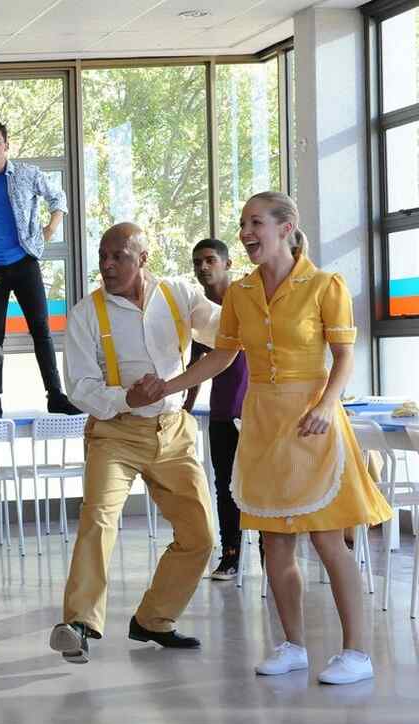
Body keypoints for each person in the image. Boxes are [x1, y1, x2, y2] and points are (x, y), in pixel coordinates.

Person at [155, 192, 391, 685]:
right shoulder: (240, 293)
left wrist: (326, 405)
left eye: (255, 223)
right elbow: (221, 355)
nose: (245, 233)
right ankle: (293, 646)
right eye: (243, 223)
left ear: (286, 227)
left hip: (312, 421)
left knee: (328, 540)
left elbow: (344, 355)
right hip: (262, 421)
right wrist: (167, 387)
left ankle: (357, 653)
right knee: (275, 543)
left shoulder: (325, 285)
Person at [49, 223, 219, 664]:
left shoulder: (179, 295)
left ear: (143, 258)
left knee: (200, 535)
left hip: (173, 432)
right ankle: (78, 624)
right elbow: (80, 388)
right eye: (102, 257)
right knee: (98, 520)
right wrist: (128, 398)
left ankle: (154, 619)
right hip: (115, 433)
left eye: (118, 256)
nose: (107, 265)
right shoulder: (86, 314)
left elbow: (223, 332)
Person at [0, 119, 80, 419]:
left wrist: (51, 228)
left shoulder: (27, 174)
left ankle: (55, 395)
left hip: (24, 263)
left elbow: (58, 197)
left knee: (41, 330)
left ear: (6, 146)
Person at [183, 238, 251, 581]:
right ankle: (230, 555)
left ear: (227, 263)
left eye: (210, 260)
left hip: (256, 412)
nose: (203, 267)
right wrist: (184, 409)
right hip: (222, 412)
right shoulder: (198, 312)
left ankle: (270, 553)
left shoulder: (248, 298)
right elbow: (195, 366)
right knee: (225, 486)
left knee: (259, 484)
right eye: (198, 262)